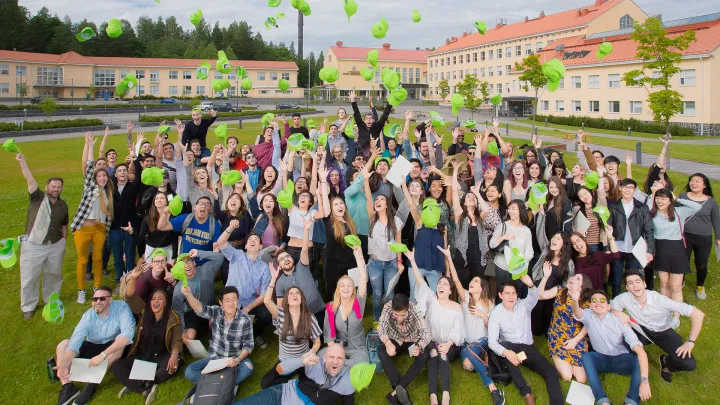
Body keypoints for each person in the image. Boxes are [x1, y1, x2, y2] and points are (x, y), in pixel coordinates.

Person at [612, 269, 705, 383]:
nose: (635, 286)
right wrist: (618, 313)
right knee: (621, 342)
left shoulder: (660, 300)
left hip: (663, 332)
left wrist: (690, 341)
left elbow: (698, 314)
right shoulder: (623, 298)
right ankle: (634, 363)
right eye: (630, 283)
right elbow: (609, 308)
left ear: (644, 284)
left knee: (689, 364)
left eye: (637, 281)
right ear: (627, 287)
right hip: (642, 330)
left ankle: (666, 361)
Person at [439, 246, 505, 405]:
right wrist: (448, 257)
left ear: (482, 287)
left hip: (482, 339)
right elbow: (455, 280)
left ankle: (494, 389)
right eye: (471, 281)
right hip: (467, 342)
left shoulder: (490, 303)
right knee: (468, 366)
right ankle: (480, 361)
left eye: (475, 281)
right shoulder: (465, 298)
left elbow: (493, 329)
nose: (472, 283)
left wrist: (483, 316)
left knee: (471, 352)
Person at [488, 275, 563, 405]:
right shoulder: (496, 313)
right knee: (506, 347)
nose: (511, 297)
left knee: (551, 372)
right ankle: (527, 393)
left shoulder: (524, 306)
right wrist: (507, 353)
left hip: (528, 348)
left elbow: (534, 297)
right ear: (500, 295)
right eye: (507, 293)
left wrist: (531, 285)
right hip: (511, 348)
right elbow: (492, 342)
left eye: (514, 293)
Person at [54, 287, 136, 405]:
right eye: (94, 299)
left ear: (110, 300)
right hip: (93, 345)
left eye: (102, 299)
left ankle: (90, 388)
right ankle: (68, 386)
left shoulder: (121, 307)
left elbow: (127, 336)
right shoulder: (88, 316)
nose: (97, 302)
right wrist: (65, 364)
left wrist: (103, 355)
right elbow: (75, 341)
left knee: (120, 343)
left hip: (113, 345)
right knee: (63, 344)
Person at [569, 289, 652, 405]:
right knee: (587, 357)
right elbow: (577, 312)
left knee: (639, 359)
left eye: (602, 300)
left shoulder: (620, 320)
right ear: (591, 306)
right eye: (594, 301)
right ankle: (603, 401)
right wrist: (574, 300)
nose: (598, 302)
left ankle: (631, 401)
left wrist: (644, 382)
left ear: (608, 307)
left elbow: (641, 352)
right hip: (601, 359)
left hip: (621, 359)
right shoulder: (588, 316)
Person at [113, 269, 182, 404]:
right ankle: (144, 390)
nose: (156, 301)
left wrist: (174, 354)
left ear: (165, 303)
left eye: (160, 298)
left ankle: (135, 382)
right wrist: (133, 278)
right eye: (153, 299)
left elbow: (177, 340)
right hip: (143, 356)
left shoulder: (173, 318)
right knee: (117, 367)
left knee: (174, 365)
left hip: (162, 356)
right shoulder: (144, 311)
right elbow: (130, 297)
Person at [15, 153, 68, 320]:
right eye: (53, 186)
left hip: (55, 244)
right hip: (34, 244)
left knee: (54, 274)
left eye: (59, 187)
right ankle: (28, 306)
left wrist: (64, 242)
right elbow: (30, 180)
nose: (56, 189)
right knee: (30, 276)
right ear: (47, 187)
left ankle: (51, 300)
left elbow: (64, 224)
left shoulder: (62, 204)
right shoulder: (37, 198)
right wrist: (23, 161)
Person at [406, 249, 463, 405]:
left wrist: (448, 344)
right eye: (439, 283)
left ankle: (445, 395)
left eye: (445, 284)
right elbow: (420, 281)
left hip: (448, 344)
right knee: (432, 353)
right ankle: (432, 396)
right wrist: (412, 260)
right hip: (431, 339)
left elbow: (457, 330)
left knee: (442, 355)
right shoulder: (431, 299)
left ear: (450, 291)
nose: (440, 285)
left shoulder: (457, 307)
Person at [71, 132, 116, 304]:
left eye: (104, 176)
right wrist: (90, 145)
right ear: (95, 177)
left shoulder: (108, 192)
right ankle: (81, 290)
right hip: (84, 227)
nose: (102, 178)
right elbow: (90, 166)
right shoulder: (89, 187)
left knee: (97, 258)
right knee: (83, 260)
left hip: (100, 229)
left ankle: (97, 287)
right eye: (99, 176)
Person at [181, 285, 255, 390]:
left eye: (234, 299)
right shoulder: (216, 312)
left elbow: (248, 345)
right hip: (215, 359)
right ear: (221, 303)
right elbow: (200, 308)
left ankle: (212, 385)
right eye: (227, 300)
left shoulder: (245, 319)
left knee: (248, 367)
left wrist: (237, 360)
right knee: (190, 371)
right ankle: (227, 385)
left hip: (234, 360)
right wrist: (188, 295)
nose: (231, 303)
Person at [647, 186, 701, 326]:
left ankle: (676, 316)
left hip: (676, 249)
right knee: (664, 283)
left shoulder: (679, 211)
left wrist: (678, 198)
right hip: (660, 249)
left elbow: (697, 207)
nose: (660, 201)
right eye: (658, 198)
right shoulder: (652, 213)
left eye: (663, 198)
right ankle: (665, 311)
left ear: (670, 200)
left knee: (675, 286)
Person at [233, 343, 354, 405]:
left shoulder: (347, 381)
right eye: (331, 357)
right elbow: (281, 368)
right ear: (325, 357)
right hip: (282, 394)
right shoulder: (313, 363)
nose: (335, 361)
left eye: (340, 358)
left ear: (344, 361)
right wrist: (302, 361)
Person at [220, 222, 273, 350]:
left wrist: (248, 308)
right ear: (246, 245)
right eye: (250, 239)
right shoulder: (236, 255)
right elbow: (221, 243)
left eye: (256, 239)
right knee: (230, 339)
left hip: (249, 301)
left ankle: (254, 335)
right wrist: (231, 227)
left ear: (260, 246)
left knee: (266, 315)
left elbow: (263, 295)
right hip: (231, 300)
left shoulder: (264, 268)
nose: (253, 241)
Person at [262, 278, 322, 389]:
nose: (294, 295)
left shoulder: (309, 317)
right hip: (285, 361)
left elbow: (317, 341)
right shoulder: (280, 314)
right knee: (265, 383)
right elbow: (266, 301)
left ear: (301, 299)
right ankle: (291, 383)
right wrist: (273, 279)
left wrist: (312, 352)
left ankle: (295, 380)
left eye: (297, 293)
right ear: (287, 300)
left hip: (303, 361)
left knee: (315, 385)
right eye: (291, 293)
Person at [538, 270, 593, 383]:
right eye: (573, 276)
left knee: (581, 379)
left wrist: (575, 340)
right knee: (567, 376)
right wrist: (545, 277)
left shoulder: (587, 302)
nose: (572, 278)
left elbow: (589, 324)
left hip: (576, 337)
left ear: (583, 286)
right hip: (557, 334)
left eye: (577, 278)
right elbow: (540, 296)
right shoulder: (560, 290)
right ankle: (555, 354)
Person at [378, 293, 431, 405]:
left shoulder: (414, 308)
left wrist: (419, 346)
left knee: (424, 355)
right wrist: (387, 343)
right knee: (382, 351)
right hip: (395, 339)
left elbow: (426, 333)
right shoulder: (387, 307)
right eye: (396, 315)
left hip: (411, 341)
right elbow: (380, 327)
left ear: (408, 309)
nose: (399, 318)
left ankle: (397, 391)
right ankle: (399, 389)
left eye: (403, 315)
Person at [321, 246, 369, 368]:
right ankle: (340, 366)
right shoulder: (331, 308)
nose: (346, 288)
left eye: (349, 286)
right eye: (343, 286)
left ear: (353, 291)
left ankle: (341, 368)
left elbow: (363, 278)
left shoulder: (358, 303)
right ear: (338, 290)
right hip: (339, 347)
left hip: (357, 347)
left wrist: (358, 257)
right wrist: (335, 354)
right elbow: (329, 335)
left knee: (362, 363)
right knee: (320, 359)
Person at [609, 178, 655, 297]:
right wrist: (607, 247)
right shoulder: (614, 207)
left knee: (633, 278)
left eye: (630, 188)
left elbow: (649, 230)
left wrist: (650, 250)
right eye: (625, 187)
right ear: (620, 188)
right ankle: (616, 301)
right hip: (617, 249)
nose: (627, 190)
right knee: (616, 278)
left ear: (634, 190)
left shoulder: (642, 208)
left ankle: (632, 300)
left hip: (634, 249)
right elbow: (608, 229)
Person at [679, 173, 720, 299]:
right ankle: (681, 281)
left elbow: (716, 220)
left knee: (701, 264)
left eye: (697, 181)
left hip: (704, 237)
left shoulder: (711, 202)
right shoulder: (682, 197)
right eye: (692, 181)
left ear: (704, 185)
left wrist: (718, 237)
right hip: (684, 236)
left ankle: (700, 286)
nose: (693, 183)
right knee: (681, 261)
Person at [171, 249, 224, 343]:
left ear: (194, 262)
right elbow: (178, 311)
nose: (186, 265)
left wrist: (199, 253)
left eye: (189, 261)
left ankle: (212, 335)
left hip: (211, 307)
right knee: (189, 337)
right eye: (182, 264)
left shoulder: (205, 269)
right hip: (192, 313)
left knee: (219, 331)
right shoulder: (179, 289)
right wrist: (183, 330)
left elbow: (220, 257)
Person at [489, 200, 534, 296]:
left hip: (518, 268)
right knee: (501, 294)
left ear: (520, 210)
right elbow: (492, 244)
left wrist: (521, 262)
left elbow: (529, 252)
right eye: (509, 209)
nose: (510, 211)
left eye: (513, 208)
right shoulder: (502, 226)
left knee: (515, 295)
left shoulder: (526, 230)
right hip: (501, 266)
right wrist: (503, 237)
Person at [157, 196, 222, 256]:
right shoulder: (186, 219)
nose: (203, 206)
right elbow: (162, 227)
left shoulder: (215, 225)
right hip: (185, 260)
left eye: (207, 204)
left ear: (210, 209)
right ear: (195, 207)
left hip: (203, 263)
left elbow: (216, 249)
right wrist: (165, 213)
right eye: (200, 203)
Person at [350, 90, 392, 158]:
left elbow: (385, 115)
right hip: (362, 155)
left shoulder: (377, 127)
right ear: (364, 121)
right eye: (366, 118)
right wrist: (352, 100)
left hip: (375, 153)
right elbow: (356, 113)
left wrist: (390, 102)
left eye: (370, 118)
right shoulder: (361, 126)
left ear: (373, 120)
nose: (368, 119)